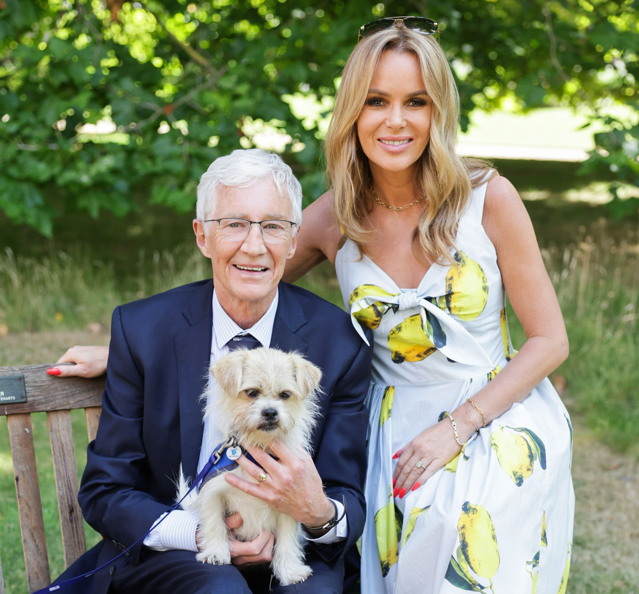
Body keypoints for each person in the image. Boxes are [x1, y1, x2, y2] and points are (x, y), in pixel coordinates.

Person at [53, 16, 575, 594]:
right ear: (353, 110)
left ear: (439, 111)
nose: (395, 120)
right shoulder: (336, 214)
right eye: (376, 100)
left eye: (416, 102)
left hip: (488, 417)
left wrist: (457, 428)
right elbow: (246, 273)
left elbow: (550, 340)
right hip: (392, 427)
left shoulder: (489, 198)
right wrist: (130, 351)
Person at [52, 148, 373, 594]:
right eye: (235, 224)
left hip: (292, 547)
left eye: (274, 226)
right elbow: (107, 490)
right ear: (203, 236)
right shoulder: (143, 329)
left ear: (294, 240)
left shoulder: (338, 344)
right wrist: (198, 533)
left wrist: (317, 512)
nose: (255, 245)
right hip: (178, 555)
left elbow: (347, 494)